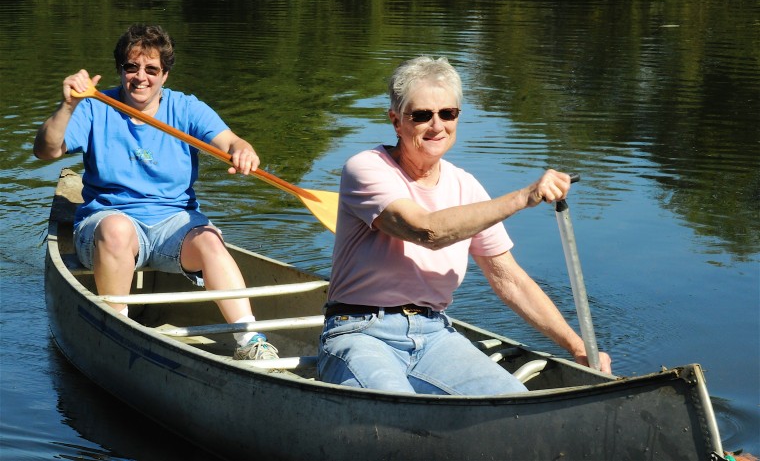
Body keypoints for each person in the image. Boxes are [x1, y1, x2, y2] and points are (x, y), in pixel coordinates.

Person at [318, 56, 612, 395]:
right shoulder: (366, 169)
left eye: (448, 113)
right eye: (422, 115)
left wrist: (577, 347)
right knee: (395, 407)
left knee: (513, 402)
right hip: (360, 332)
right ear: (396, 121)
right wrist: (524, 196)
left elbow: (509, 280)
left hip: (435, 334)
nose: (437, 125)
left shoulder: (465, 186)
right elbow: (427, 231)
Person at [34, 24, 277, 361]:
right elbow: (47, 150)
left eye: (152, 69)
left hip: (173, 224)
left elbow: (231, 141)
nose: (141, 77)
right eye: (131, 67)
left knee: (209, 239)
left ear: (165, 74)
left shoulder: (186, 108)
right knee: (117, 229)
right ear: (120, 70)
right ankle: (117, 329)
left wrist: (243, 151)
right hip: (108, 224)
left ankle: (250, 339)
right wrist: (67, 106)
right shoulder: (94, 106)